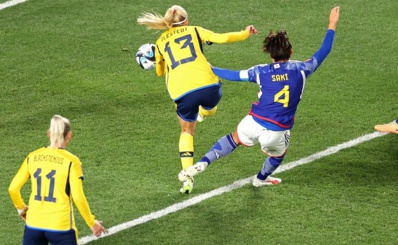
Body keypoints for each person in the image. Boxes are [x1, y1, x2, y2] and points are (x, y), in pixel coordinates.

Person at [179, 7, 341, 188]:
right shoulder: (302, 70)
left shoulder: (261, 71)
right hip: (277, 131)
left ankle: (204, 162)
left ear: (270, 55)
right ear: (291, 51)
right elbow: (325, 50)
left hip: (253, 122)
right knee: (279, 155)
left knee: (233, 139)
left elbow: (235, 75)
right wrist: (332, 23)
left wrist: (212, 68)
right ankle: (260, 179)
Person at [137, 5, 258, 194]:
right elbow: (222, 38)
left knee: (187, 131)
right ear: (185, 21)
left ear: (168, 24)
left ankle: (188, 178)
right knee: (211, 105)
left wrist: (157, 60)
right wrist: (245, 33)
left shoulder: (160, 42)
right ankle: (205, 111)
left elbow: (161, 72)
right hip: (209, 86)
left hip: (182, 92)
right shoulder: (194, 30)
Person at [8, 115, 106, 244]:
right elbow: (78, 197)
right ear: (69, 135)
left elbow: (13, 188)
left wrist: (22, 208)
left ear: (49, 134)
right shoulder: (71, 161)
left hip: (33, 225)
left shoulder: (32, 157)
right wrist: (91, 222)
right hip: (61, 227)